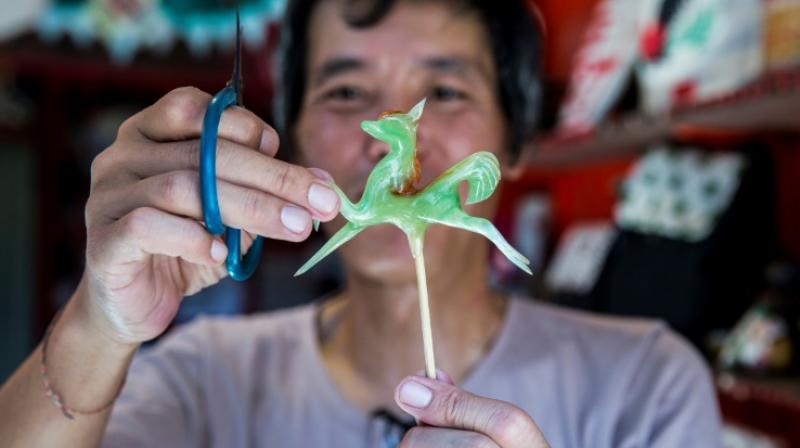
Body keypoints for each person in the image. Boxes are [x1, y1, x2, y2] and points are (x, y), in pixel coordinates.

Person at [0, 0, 722, 446]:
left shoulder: (648, 386)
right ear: (298, 136)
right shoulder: (200, 375)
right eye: (346, 90)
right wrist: (100, 323)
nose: (384, 143)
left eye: (446, 88)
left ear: (515, 142)